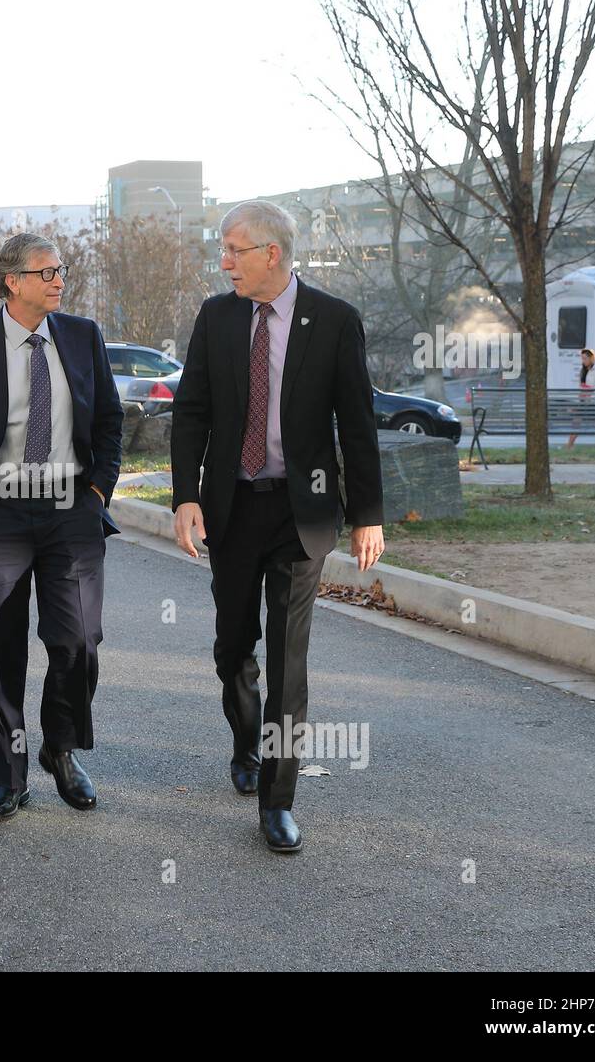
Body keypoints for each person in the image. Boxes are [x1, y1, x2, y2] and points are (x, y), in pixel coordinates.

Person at [171, 200, 384, 854]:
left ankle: (278, 798)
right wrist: (185, 496)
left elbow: (357, 421)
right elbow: (192, 411)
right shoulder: (217, 316)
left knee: (289, 662)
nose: (224, 261)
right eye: (222, 249)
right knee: (233, 646)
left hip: (302, 512)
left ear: (273, 253)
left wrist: (368, 514)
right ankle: (245, 743)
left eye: (235, 249)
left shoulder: (336, 320)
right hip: (233, 507)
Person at [0, 232, 123, 821]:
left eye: (61, 270)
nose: (59, 279)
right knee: (0, 648)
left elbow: (109, 419)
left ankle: (60, 749)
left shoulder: (83, 337)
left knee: (79, 640)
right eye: (47, 271)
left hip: (71, 510)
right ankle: (8, 777)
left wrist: (97, 491)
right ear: (12, 281)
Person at [566, 347, 595, 448]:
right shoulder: (584, 371)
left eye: (585, 358)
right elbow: (581, 387)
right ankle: (569, 445)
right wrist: (582, 395)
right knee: (576, 422)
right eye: (582, 358)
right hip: (585, 402)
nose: (583, 361)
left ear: (591, 358)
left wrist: (588, 394)